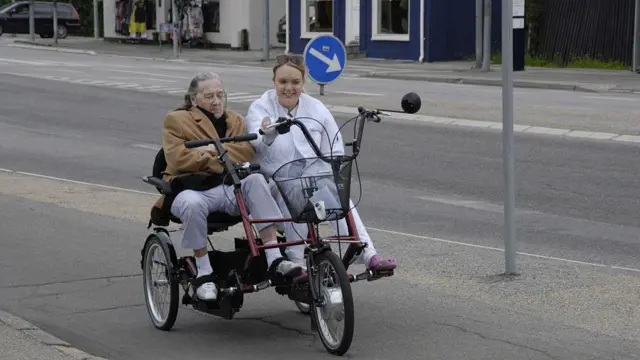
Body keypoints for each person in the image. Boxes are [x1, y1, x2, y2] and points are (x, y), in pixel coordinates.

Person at [150, 72, 303, 302]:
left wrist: (210, 152)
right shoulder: (176, 120)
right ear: (194, 99)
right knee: (192, 204)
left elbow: (248, 153)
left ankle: (274, 258)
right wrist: (221, 156)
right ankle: (204, 272)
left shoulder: (235, 120)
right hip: (189, 188)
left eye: (220, 95)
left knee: (255, 180)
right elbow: (178, 160)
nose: (216, 101)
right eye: (209, 95)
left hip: (228, 188)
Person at [244, 54, 397, 273]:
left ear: (303, 82)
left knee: (339, 199)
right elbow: (257, 138)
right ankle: (296, 264)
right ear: (274, 82)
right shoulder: (260, 107)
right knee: (295, 194)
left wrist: (330, 174)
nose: (289, 88)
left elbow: (333, 147)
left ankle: (368, 253)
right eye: (283, 82)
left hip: (312, 179)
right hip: (275, 185)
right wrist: (270, 130)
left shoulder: (315, 108)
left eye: (295, 82)